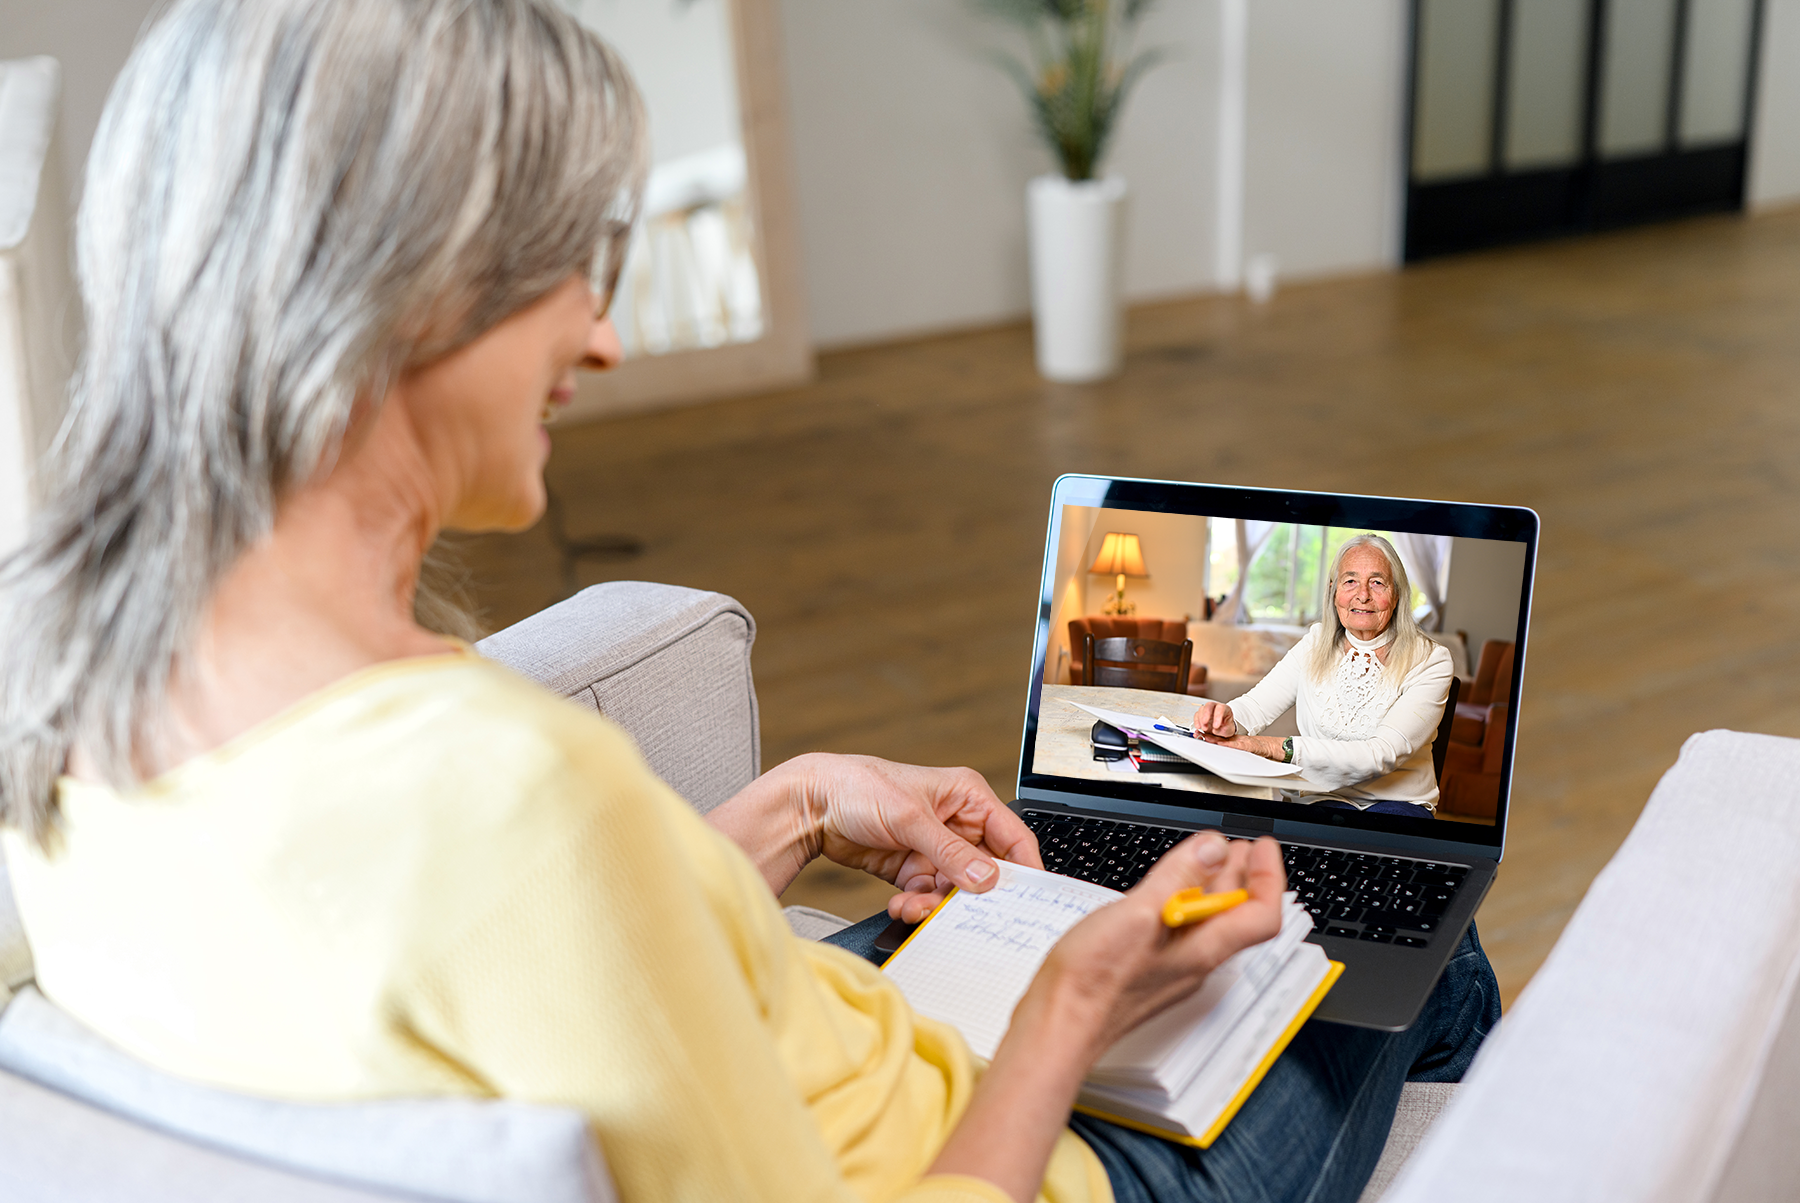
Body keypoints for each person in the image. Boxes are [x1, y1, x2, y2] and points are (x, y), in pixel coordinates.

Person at [0, 3, 1497, 1201]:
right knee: (1415, 944)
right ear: (406, 287)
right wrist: (1072, 1004)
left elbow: (523, 962)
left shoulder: (81, 694)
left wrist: (787, 812)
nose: (603, 336)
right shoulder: (510, 793)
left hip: (833, 1048)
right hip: (1013, 1154)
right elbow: (528, 871)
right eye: (567, 270)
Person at [1191, 535, 1456, 819]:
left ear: (1398, 593)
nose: (1362, 595)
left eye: (1377, 582)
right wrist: (1228, 716)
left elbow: (1381, 753)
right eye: (1350, 581)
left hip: (1398, 802)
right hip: (1320, 797)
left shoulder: (1431, 659)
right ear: (1333, 591)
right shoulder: (1315, 642)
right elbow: (1255, 706)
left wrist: (1270, 747)